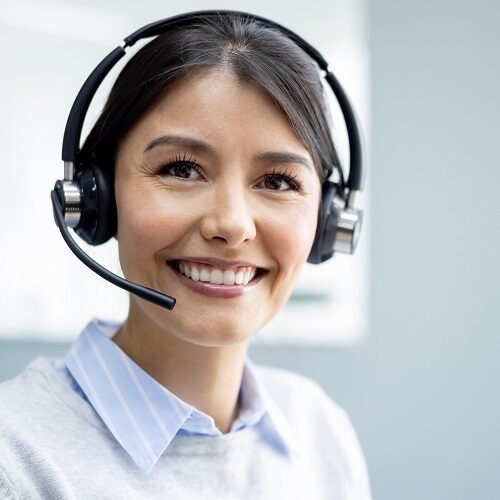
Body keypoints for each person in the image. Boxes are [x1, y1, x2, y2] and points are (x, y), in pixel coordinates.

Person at [0, 11, 372, 499]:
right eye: (181, 169)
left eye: (278, 181)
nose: (232, 224)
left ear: (328, 220)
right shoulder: (16, 457)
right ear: (96, 198)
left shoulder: (321, 432)